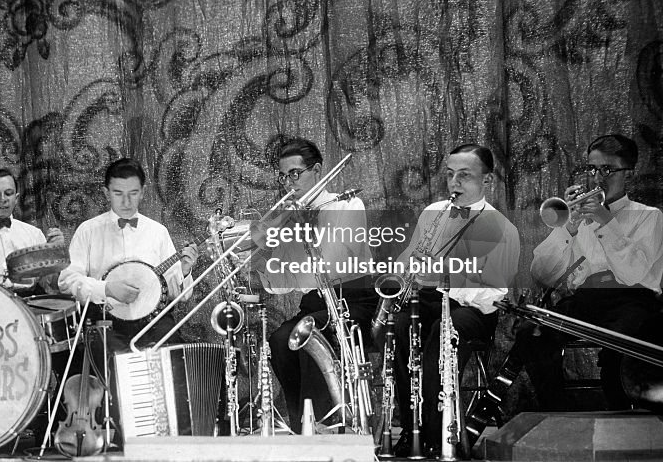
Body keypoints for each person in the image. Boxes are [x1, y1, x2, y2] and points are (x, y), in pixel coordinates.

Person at [391, 144, 519, 457]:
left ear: (487, 181)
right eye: (450, 175)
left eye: (464, 176)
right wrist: (404, 272)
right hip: (435, 298)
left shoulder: (504, 229)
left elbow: (492, 294)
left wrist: (447, 275)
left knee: (443, 334)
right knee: (403, 327)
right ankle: (411, 429)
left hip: (474, 310)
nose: (454, 183)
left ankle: (437, 437)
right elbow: (410, 256)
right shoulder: (434, 213)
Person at [518, 134, 663, 409]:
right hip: (587, 299)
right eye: (592, 169)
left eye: (607, 170)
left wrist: (605, 221)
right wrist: (568, 227)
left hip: (633, 300)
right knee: (532, 333)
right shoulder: (579, 219)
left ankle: (620, 428)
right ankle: (560, 413)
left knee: (617, 353)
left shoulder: (649, 216)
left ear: (628, 176)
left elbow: (633, 275)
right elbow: (541, 272)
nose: (597, 178)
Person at [262, 138, 378, 430]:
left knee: (311, 328)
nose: (288, 182)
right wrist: (263, 252)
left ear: (317, 170)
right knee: (279, 340)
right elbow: (279, 285)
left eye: (295, 173)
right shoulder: (289, 217)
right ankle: (301, 421)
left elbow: (335, 264)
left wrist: (301, 229)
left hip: (352, 301)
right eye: (283, 175)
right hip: (315, 304)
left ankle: (326, 427)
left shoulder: (347, 204)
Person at [57, 158, 198, 353]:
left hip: (153, 322)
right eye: (118, 193)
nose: (126, 202)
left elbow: (179, 296)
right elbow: (67, 281)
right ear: (106, 193)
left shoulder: (158, 232)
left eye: (133, 193)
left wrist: (184, 270)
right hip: (105, 322)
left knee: (172, 354)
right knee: (113, 359)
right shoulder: (88, 231)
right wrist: (106, 288)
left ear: (142, 192)